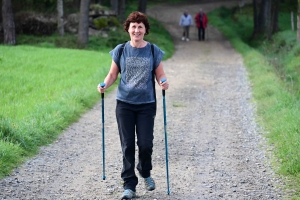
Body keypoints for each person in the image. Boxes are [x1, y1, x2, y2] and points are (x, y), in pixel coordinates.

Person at [97, 11, 169, 200]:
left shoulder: (153, 50)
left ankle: (145, 171)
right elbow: (112, 75)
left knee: (145, 144)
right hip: (125, 105)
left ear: (145, 30)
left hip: (146, 105)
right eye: (133, 26)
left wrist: (163, 81)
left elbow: (160, 74)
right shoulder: (120, 50)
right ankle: (129, 185)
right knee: (127, 145)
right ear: (128, 29)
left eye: (140, 26)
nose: (136, 30)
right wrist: (104, 84)